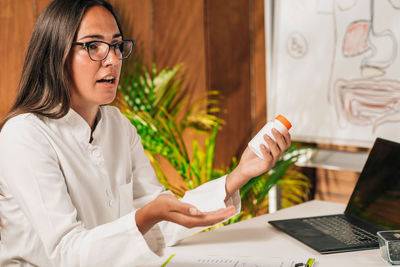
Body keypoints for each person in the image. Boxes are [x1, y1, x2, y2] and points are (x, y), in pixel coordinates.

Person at [0, 0, 291, 266]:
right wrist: (145, 217)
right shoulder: (24, 135)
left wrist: (240, 174)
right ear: (56, 54)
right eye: (94, 46)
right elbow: (66, 252)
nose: (112, 59)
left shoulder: (117, 125)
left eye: (116, 45)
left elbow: (160, 222)